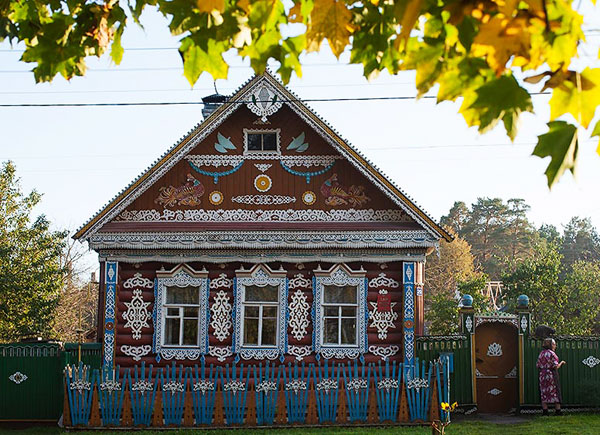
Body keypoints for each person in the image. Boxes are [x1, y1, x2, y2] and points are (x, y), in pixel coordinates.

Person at [536, 338, 566, 415]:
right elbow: (555, 366)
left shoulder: (541, 354)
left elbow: (538, 365)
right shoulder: (552, 354)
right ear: (551, 345)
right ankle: (558, 411)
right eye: (554, 344)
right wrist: (561, 363)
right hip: (551, 375)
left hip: (542, 375)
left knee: (544, 392)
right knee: (555, 391)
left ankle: (545, 411)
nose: (555, 346)